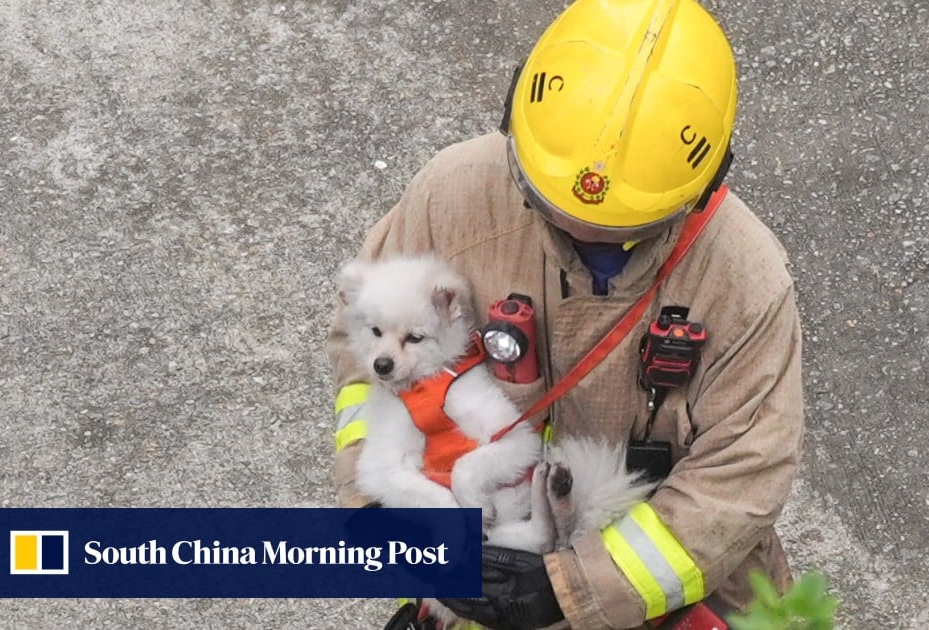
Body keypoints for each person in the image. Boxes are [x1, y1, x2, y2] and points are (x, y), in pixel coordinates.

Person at [326, 0, 804, 627]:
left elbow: (741, 478)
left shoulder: (743, 279)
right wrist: (377, 502)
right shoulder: (452, 196)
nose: (583, 241)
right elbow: (362, 356)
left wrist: (574, 588)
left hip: (669, 596)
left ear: (705, 186)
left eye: (624, 232)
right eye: (547, 206)